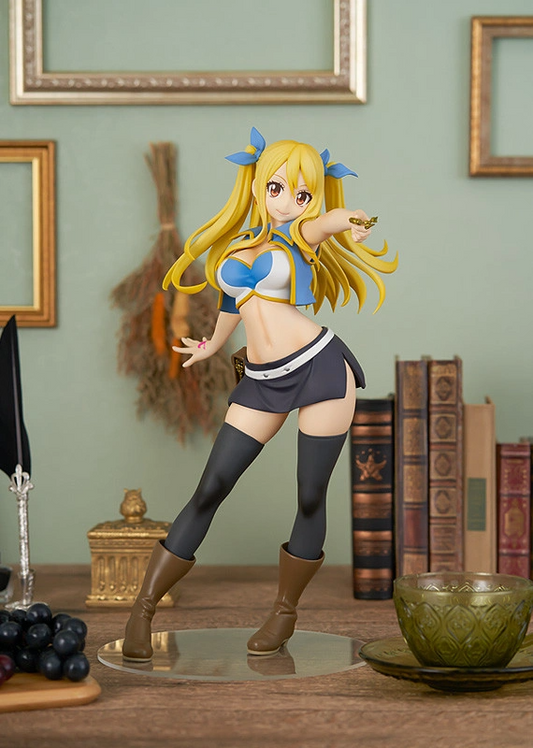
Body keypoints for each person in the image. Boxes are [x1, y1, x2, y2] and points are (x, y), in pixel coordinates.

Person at [122, 128, 398, 660]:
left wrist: (351, 220)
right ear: (257, 186)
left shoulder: (302, 236)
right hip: (262, 378)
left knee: (310, 493)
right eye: (277, 188)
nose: (288, 202)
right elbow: (233, 306)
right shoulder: (237, 247)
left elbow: (329, 222)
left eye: (302, 193)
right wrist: (210, 346)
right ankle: (143, 609)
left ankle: (284, 613)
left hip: (321, 368)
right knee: (211, 487)